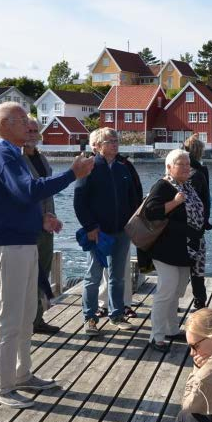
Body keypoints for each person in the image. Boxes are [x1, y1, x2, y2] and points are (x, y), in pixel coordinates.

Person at [0, 102, 94, 409]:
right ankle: (2, 387)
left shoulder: (9, 155)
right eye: (22, 120)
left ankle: (22, 374)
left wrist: (40, 220)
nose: (29, 124)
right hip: (9, 245)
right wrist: (73, 173)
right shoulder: (2, 154)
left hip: (22, 241)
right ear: (7, 124)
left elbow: (15, 199)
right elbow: (29, 190)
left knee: (26, 314)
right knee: (10, 317)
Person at [74, 128, 140, 336]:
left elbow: (134, 198)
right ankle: (90, 318)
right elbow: (79, 201)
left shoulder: (123, 168)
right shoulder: (89, 168)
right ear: (96, 146)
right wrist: (90, 226)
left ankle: (117, 314)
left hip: (121, 231)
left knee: (118, 276)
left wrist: (131, 224)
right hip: (98, 232)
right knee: (93, 276)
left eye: (115, 140)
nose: (114, 143)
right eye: (109, 141)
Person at [144, 149, 205, 352]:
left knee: (177, 291)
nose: (187, 167)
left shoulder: (186, 185)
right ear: (169, 167)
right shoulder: (162, 185)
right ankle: (156, 336)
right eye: (182, 164)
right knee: (166, 290)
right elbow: (151, 212)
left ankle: (170, 328)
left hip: (185, 248)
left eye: (188, 164)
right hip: (166, 249)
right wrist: (175, 202)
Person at [22, 117, 61, 334]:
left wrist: (52, 216)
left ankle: (37, 320)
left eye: (35, 131)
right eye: (28, 130)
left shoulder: (40, 158)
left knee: (42, 274)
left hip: (47, 225)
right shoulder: (16, 160)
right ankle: (27, 323)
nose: (32, 135)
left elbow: (47, 191)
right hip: (28, 228)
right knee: (27, 277)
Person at [97, 152, 143, 319]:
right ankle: (102, 304)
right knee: (101, 268)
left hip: (123, 226)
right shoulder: (91, 165)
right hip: (100, 227)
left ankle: (124, 304)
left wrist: (133, 219)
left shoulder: (125, 165)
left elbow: (136, 192)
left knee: (121, 267)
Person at [184, 136, 212, 310]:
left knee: (190, 267)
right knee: (197, 267)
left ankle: (198, 299)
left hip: (189, 228)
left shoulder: (191, 172)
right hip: (195, 229)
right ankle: (200, 300)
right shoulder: (198, 172)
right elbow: (203, 202)